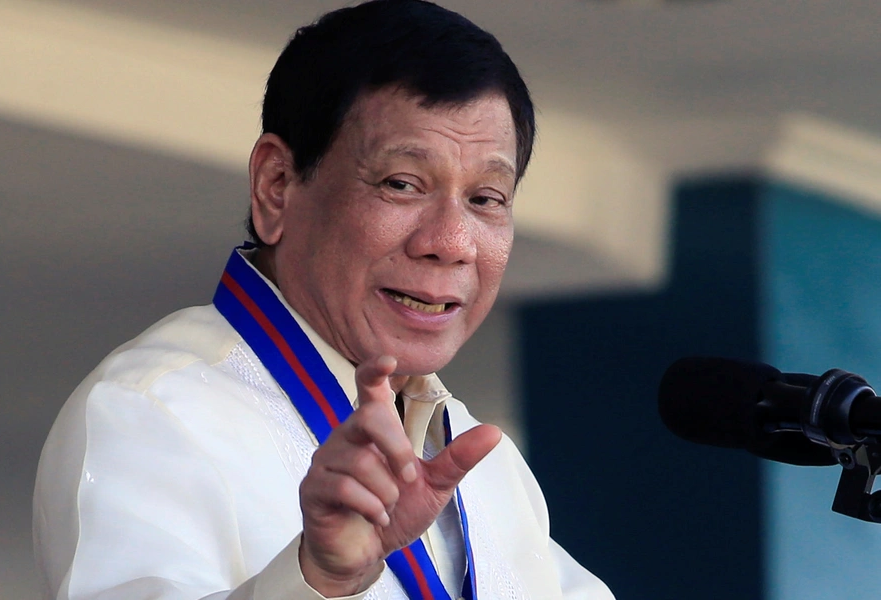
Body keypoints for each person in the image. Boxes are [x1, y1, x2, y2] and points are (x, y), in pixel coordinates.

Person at [33, 1, 615, 598]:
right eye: (401, 184)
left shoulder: (485, 464)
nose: (451, 244)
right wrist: (320, 579)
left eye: (487, 198)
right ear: (277, 187)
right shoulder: (153, 410)